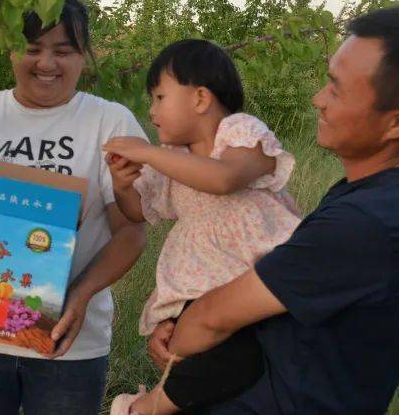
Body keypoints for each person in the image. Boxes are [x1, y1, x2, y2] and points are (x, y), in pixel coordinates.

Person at [126, 6, 399, 414]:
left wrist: (166, 369)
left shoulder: (368, 223)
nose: (318, 100)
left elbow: (213, 318)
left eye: (337, 89)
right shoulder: (376, 200)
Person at [0, 0, 150, 414]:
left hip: (65, 342)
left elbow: (132, 231)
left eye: (63, 51)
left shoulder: (109, 123)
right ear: (11, 50)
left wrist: (80, 295)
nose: (46, 63)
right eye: (32, 49)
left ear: (84, 57)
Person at [101, 39, 301, 414]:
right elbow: (137, 212)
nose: (152, 110)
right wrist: (122, 184)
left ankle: (141, 408)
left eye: (160, 97)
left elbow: (224, 178)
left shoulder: (240, 133)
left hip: (256, 279)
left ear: (200, 99)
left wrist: (146, 152)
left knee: (244, 359)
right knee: (195, 363)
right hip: (202, 285)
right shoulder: (174, 160)